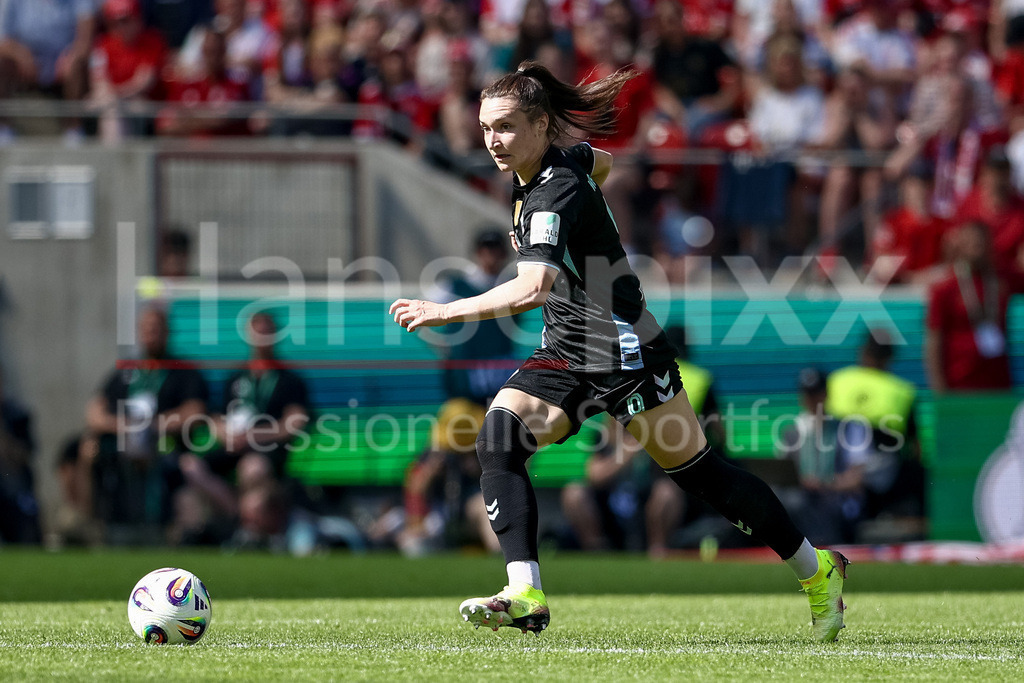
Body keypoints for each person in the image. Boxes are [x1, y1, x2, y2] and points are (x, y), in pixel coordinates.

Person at [389, 61, 848, 641]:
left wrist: (443, 311)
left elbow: (533, 287)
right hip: (568, 346)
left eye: (505, 127)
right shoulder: (552, 166)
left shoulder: (552, 193)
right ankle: (524, 591)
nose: (492, 141)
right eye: (485, 129)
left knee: (702, 474)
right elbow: (602, 162)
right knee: (498, 439)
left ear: (540, 125)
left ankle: (817, 570)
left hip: (624, 350)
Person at [84, 306, 208, 533]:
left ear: (167, 332)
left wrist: (151, 426)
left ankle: (155, 525)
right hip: (121, 441)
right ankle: (94, 523)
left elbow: (195, 411)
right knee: (87, 448)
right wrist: (123, 426)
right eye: (147, 329)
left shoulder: (182, 372)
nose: (151, 334)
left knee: (148, 450)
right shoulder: (126, 372)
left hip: (164, 443)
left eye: (156, 329)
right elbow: (95, 410)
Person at [777, 368, 869, 545]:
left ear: (826, 394)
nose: (812, 399)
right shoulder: (792, 432)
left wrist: (825, 484)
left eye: (816, 393)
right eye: (807, 394)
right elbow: (782, 474)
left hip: (835, 499)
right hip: (802, 498)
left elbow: (857, 477)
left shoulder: (847, 429)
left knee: (823, 506)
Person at [925, 220, 1015, 393]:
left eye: (980, 243)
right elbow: (934, 341)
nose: (976, 248)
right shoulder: (945, 288)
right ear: (961, 245)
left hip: (998, 384)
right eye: (971, 243)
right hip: (959, 383)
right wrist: (939, 390)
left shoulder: (1002, 280)